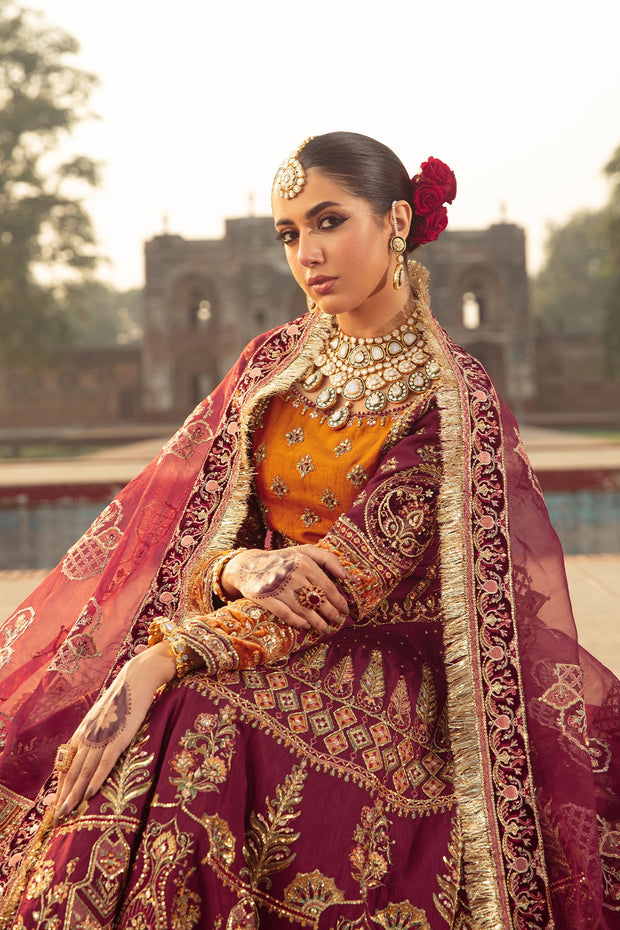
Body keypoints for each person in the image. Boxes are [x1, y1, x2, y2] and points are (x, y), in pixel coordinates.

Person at [0, 132, 618, 930]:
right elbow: (188, 541)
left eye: (329, 222)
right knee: (100, 722)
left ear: (397, 220)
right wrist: (237, 573)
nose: (308, 254)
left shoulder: (451, 396)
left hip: (385, 655)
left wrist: (162, 655)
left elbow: (348, 577)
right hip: (247, 628)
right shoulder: (271, 365)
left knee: (193, 722)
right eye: (290, 233)